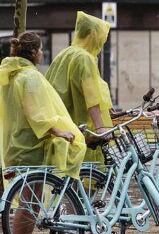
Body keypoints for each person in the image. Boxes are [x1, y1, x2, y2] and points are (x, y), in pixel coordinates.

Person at [0, 32, 86, 234]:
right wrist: (58, 131)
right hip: (32, 146)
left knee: (29, 202)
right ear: (34, 52)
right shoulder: (30, 77)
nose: (42, 53)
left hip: (20, 143)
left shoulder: (13, 75)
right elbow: (35, 113)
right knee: (29, 203)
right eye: (40, 49)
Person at [45, 12, 113, 164]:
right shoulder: (84, 58)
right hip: (81, 130)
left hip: (62, 126)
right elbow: (91, 96)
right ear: (93, 35)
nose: (102, 44)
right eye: (102, 38)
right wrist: (100, 128)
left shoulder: (64, 54)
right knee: (86, 174)